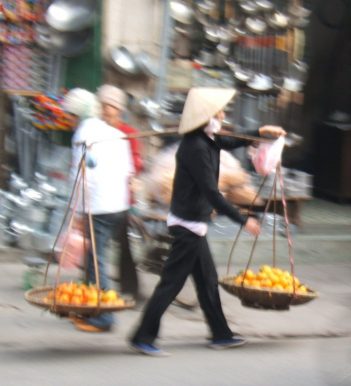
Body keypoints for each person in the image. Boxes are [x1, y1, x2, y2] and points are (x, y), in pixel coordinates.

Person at [129, 87, 286, 356]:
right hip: (187, 225)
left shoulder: (208, 140)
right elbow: (212, 194)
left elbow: (233, 140)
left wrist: (261, 132)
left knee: (207, 280)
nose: (222, 116)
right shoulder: (195, 147)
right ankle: (143, 337)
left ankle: (220, 334)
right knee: (172, 283)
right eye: (218, 113)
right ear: (205, 118)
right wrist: (242, 219)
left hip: (194, 224)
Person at [63, 88, 135, 332]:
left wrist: (77, 213)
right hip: (117, 204)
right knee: (95, 257)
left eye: (71, 116)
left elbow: (81, 177)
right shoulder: (114, 133)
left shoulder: (83, 134)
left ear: (77, 114)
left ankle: (104, 316)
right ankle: (90, 305)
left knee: (96, 260)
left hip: (100, 206)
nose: (70, 121)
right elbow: (127, 172)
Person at [97, 84, 142, 301]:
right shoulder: (96, 130)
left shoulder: (127, 133)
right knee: (97, 246)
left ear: (119, 109)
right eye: (103, 105)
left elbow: (134, 164)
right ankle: (95, 286)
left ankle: (130, 289)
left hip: (120, 197)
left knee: (122, 244)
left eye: (111, 106)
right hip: (100, 195)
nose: (106, 110)